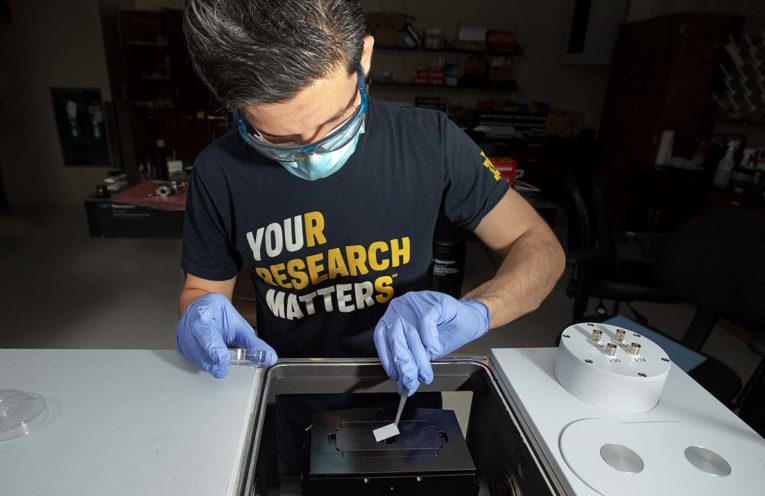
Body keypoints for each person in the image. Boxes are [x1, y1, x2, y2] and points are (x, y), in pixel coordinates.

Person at [175, 0, 564, 396]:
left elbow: (539, 246)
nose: (315, 150)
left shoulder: (430, 140)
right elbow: (202, 292)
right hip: (285, 381)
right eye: (280, 139)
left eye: (335, 121)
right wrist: (198, 315)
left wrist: (478, 311)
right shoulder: (218, 170)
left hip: (404, 382)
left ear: (364, 56)